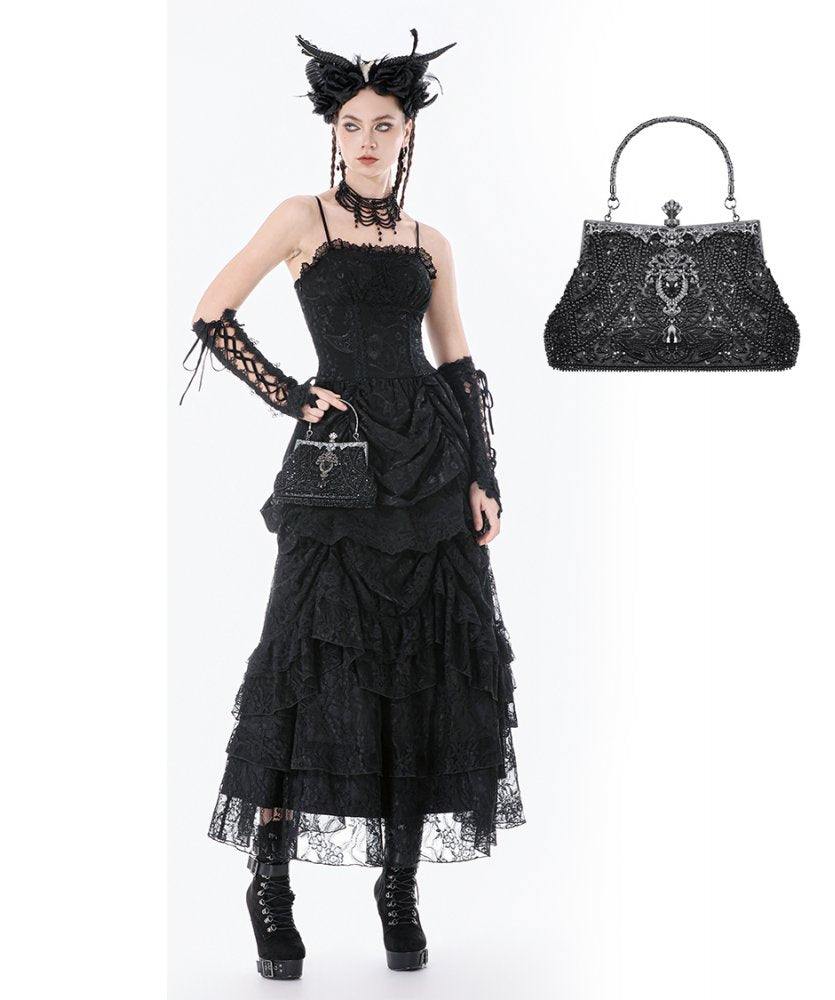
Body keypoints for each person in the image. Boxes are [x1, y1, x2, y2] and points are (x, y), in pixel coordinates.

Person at [178, 29, 524, 978]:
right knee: (301, 659)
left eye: (384, 126)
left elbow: (457, 361)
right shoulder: (303, 219)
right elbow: (211, 311)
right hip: (337, 469)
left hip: (431, 468)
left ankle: (398, 883)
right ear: (333, 132)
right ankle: (270, 881)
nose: (367, 140)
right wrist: (294, 395)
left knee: (422, 666)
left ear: (408, 134)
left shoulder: (429, 242)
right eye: (352, 125)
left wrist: (483, 475)